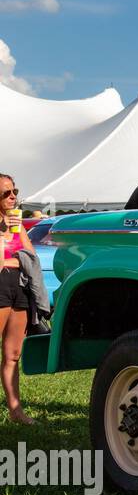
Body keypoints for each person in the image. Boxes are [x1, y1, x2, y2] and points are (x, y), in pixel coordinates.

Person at [0, 174, 35, 425]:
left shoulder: (16, 223)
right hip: (1, 287)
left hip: (19, 288)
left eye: (14, 191)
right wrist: (17, 259)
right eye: (6, 193)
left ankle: (16, 411)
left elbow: (31, 257)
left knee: (13, 354)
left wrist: (15, 260)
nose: (13, 197)